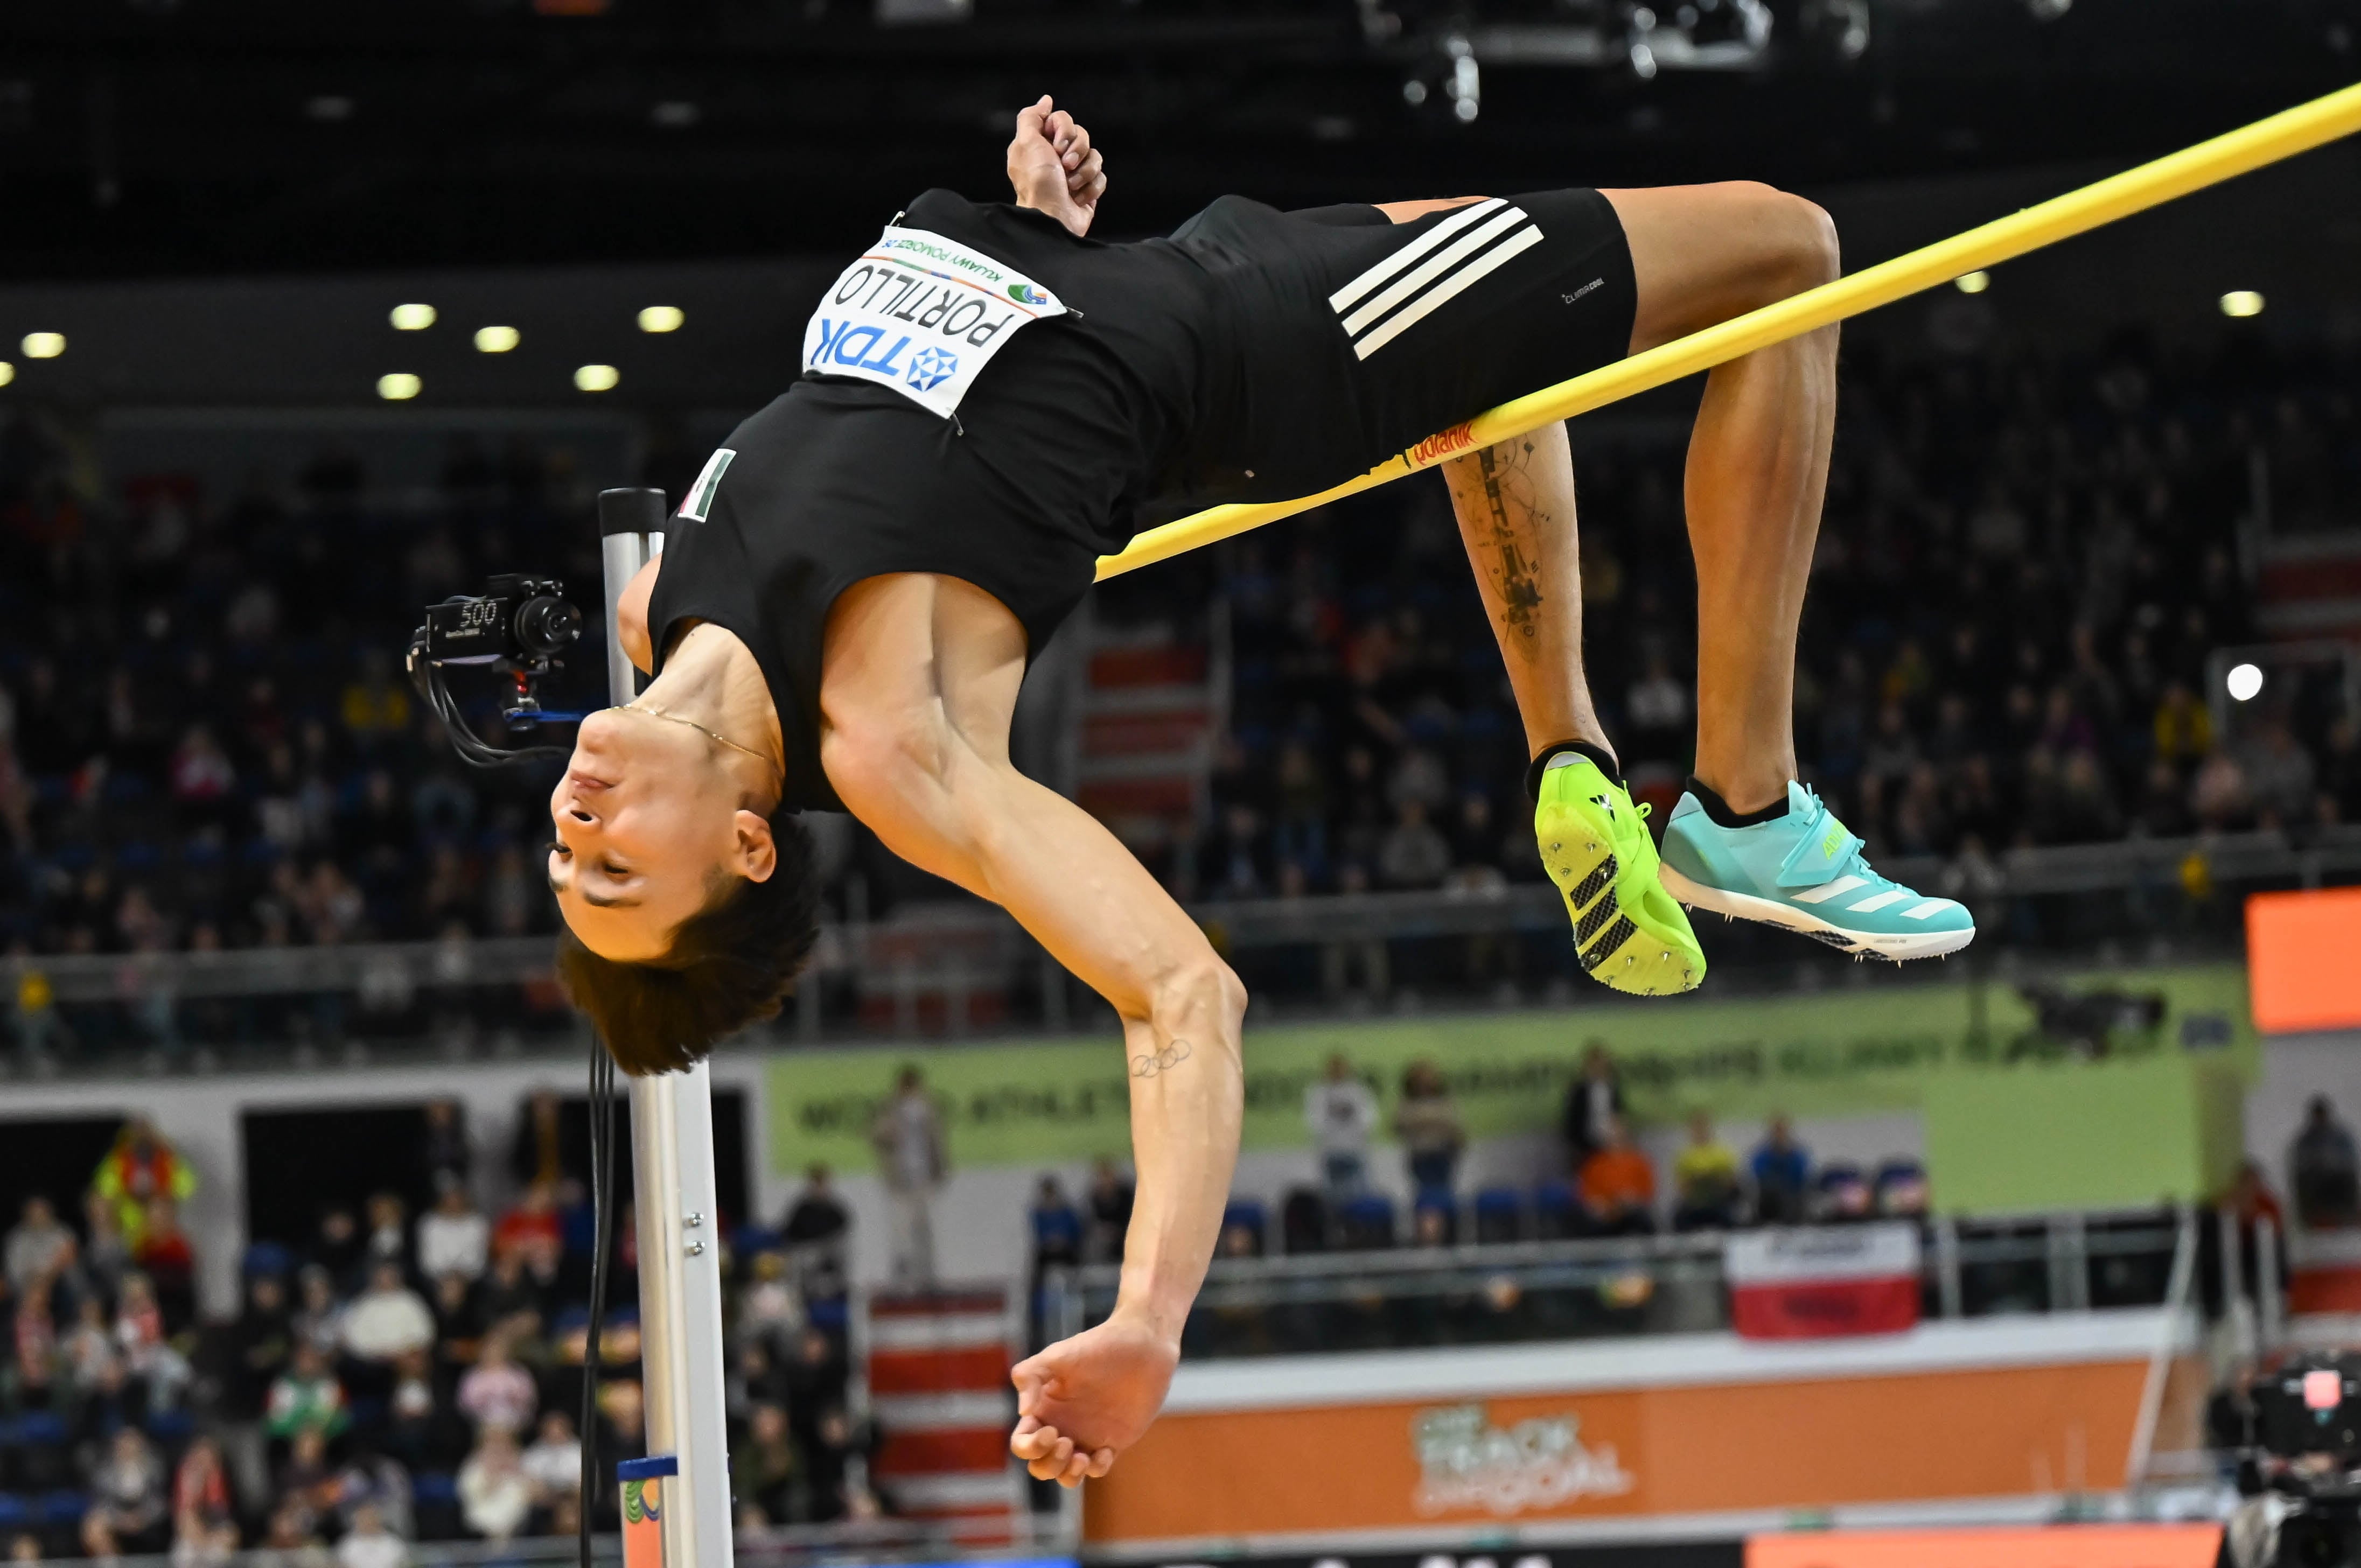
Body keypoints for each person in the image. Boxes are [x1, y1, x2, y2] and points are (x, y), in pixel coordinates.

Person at [539, 97, 1971, 1486]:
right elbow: (1179, 1000)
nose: (577, 829)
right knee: (1785, 249)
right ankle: (1745, 801)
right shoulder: (893, 741)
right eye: (618, 873)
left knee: (1494, 350)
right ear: (744, 847)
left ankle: (1573, 756)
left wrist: (1042, 231)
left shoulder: (660, 603)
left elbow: (926, 420)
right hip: (1275, 346)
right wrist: (1148, 1323)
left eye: (567, 862)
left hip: (1174, 271)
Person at [870, 1065, 946, 1286]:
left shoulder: (928, 1108)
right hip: (902, 1178)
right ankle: (902, 1275)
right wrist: (889, 1133)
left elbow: (937, 1141)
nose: (911, 1090)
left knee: (925, 1227)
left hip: (924, 1177)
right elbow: (876, 1135)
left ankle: (928, 1273)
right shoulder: (892, 1108)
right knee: (902, 1227)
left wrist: (940, 1167)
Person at [92, 1116, 197, 1250]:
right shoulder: (120, 1160)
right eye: (136, 1137)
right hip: (128, 1213)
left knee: (159, 1209)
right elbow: (105, 1188)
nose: (141, 1143)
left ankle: (158, 1252)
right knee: (99, 1204)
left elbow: (187, 1187)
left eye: (145, 1136)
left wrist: (162, 1195)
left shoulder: (166, 1158)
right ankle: (108, 1249)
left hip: (155, 1217)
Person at [1304, 1053, 1379, 1198]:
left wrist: (1355, 1132)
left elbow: (1369, 1118)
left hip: (1355, 1150)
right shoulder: (1319, 1092)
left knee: (1361, 1193)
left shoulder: (1359, 1091)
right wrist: (1333, 1132)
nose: (1338, 1072)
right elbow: (1314, 1122)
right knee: (1332, 1196)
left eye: (1341, 1068)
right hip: (1331, 1151)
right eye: (1334, 1068)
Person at [1575, 1115, 1657, 1236]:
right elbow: (1586, 1194)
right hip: (1605, 1214)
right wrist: (1600, 1205)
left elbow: (1647, 1192)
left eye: (1619, 1133)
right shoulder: (1594, 1165)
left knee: (1643, 1221)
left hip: (1631, 1212)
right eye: (1612, 1134)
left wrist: (1633, 1199)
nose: (1615, 1138)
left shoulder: (1639, 1161)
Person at [1393, 1060, 1465, 1196]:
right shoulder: (1407, 1103)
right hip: (1421, 1155)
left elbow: (1455, 1125)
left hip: (1443, 1153)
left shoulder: (1445, 1101)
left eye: (1428, 1079)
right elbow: (1399, 1125)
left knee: (1444, 1191)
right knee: (1424, 1194)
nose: (1424, 1083)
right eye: (1420, 1080)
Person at [343, 1260, 436, 1363]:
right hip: (370, 1362)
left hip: (404, 1359)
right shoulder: (363, 1303)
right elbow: (353, 1337)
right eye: (382, 1275)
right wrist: (377, 1352)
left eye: (389, 1276)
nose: (385, 1280)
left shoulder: (411, 1301)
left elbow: (424, 1333)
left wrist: (401, 1352)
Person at [2290, 1094, 2360, 1229]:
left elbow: (2350, 1158)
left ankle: (2348, 1215)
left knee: (2347, 1180)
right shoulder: (2307, 1139)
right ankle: (2314, 1217)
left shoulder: (2341, 1136)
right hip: (2316, 1179)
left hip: (2338, 1176)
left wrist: (2335, 1165)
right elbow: (2301, 1161)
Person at [1670, 1111, 1741, 1230]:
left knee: (1731, 1214)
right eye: (1697, 1128)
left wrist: (1714, 1181)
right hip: (1696, 1202)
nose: (1700, 1131)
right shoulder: (1684, 1156)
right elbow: (1682, 1187)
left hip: (1719, 1200)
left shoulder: (1723, 1153)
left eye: (1703, 1127)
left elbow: (1732, 1182)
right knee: (1679, 1217)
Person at [1562, 1041, 1624, 1171]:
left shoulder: (1612, 1089)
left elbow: (1618, 1116)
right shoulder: (1578, 1091)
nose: (1599, 1067)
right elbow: (1571, 1121)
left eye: (1602, 1064)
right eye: (1595, 1064)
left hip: (1610, 1147)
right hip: (1584, 1147)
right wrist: (1576, 1147)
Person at [4, 1195, 78, 1298]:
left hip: (59, 1286)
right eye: (34, 1212)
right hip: (25, 1288)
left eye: (42, 1212)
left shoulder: (64, 1234)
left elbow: (70, 1263)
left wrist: (47, 1278)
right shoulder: (16, 1239)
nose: (38, 1217)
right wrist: (33, 1280)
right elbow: (14, 1272)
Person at [1749, 1115, 1812, 1224]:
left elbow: (1800, 1175)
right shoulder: (1763, 1153)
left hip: (1791, 1194)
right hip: (1769, 1197)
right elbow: (1759, 1173)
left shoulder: (1796, 1153)